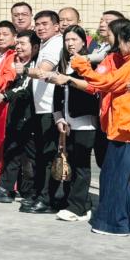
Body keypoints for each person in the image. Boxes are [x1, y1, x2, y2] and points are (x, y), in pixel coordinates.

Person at [71, 19, 130, 237]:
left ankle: (114, 223)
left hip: (126, 128)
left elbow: (107, 82)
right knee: (129, 180)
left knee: (114, 178)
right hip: (125, 127)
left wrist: (82, 66)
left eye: (120, 41)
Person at [45, 25, 101, 222]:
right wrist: (58, 117)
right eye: (67, 40)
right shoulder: (65, 62)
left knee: (81, 166)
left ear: (83, 42)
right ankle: (78, 204)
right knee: (71, 163)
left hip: (85, 122)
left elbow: (93, 88)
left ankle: (78, 207)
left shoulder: (90, 63)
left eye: (74, 40)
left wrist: (69, 79)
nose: (70, 43)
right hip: (67, 121)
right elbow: (57, 92)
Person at [0, 30, 41, 205]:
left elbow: (25, 89)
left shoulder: (35, 65)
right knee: (12, 152)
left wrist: (5, 96)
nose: (18, 47)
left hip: (29, 118)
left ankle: (35, 194)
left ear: (35, 47)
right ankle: (5, 189)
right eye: (18, 43)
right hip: (16, 116)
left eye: (23, 44)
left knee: (31, 156)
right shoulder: (16, 62)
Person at [21, 10, 65, 214]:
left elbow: (44, 70)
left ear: (56, 26)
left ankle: (48, 200)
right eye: (37, 24)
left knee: (48, 156)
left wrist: (23, 70)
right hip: (41, 108)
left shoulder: (56, 44)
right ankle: (41, 195)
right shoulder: (46, 43)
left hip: (50, 109)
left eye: (45, 24)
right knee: (41, 155)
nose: (40, 28)